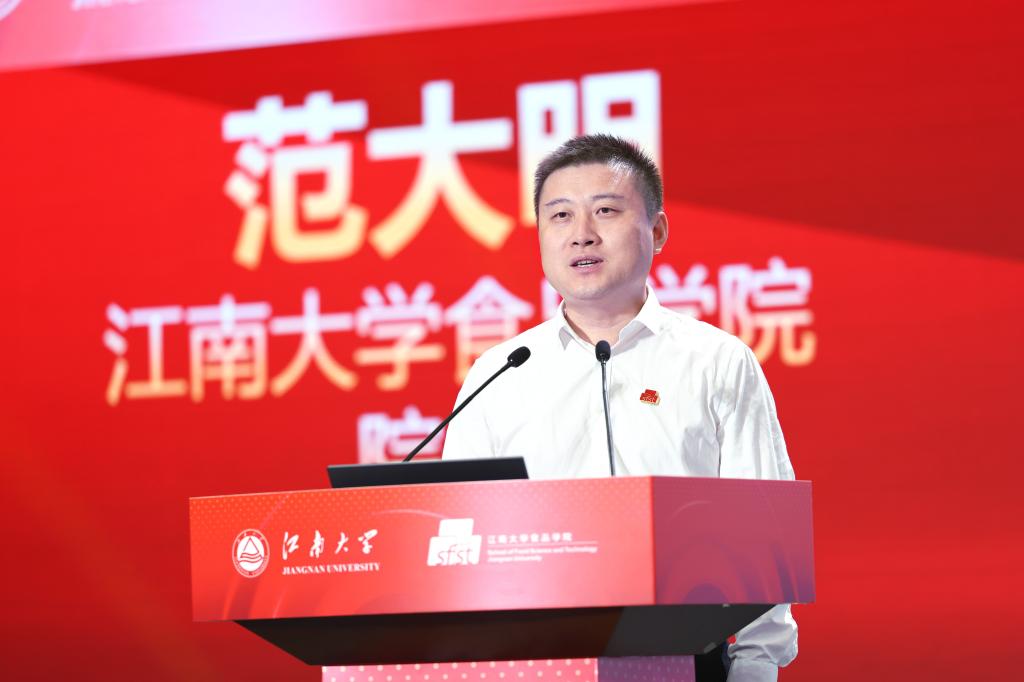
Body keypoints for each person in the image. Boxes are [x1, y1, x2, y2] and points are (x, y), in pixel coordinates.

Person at [441, 134, 797, 682]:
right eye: (560, 215)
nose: (581, 233)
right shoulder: (499, 373)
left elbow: (762, 532)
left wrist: (755, 667)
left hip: (686, 659)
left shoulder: (716, 362)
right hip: (537, 664)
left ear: (657, 230)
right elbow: (458, 538)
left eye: (605, 210)